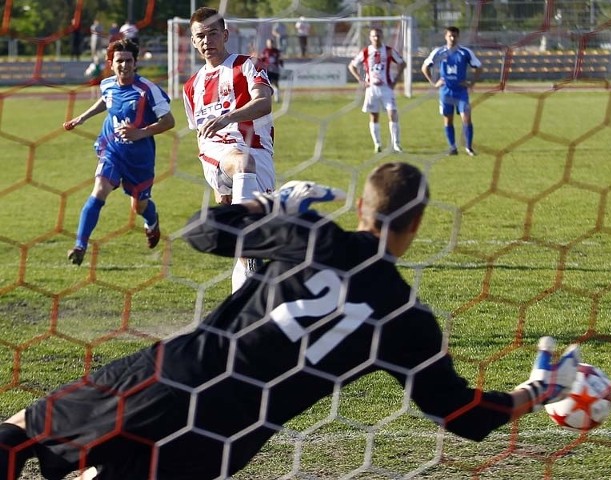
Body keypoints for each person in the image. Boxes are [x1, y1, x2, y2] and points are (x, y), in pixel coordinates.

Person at [0, 162, 580, 480]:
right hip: (225, 438)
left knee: (25, 430)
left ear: (361, 209)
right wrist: (534, 392)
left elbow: (202, 232)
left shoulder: (311, 237)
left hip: (172, 376)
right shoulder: (407, 319)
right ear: (418, 223)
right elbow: (459, 415)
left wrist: (268, 205)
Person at [182, 7, 276, 293]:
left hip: (259, 157)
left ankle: (241, 302)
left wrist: (227, 116)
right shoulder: (191, 86)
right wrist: (217, 184)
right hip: (225, 158)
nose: (207, 40)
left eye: (212, 34)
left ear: (225, 35)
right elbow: (201, 135)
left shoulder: (248, 65)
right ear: (194, 41)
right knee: (242, 161)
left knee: (259, 239)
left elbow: (264, 103)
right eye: (201, 36)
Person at [62, 39, 175, 266]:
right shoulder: (107, 84)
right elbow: (106, 101)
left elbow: (169, 121)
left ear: (135, 63)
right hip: (111, 149)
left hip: (139, 158)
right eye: (119, 61)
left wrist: (140, 133)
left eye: (128, 61)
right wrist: (82, 117)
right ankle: (80, 245)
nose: (123, 65)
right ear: (111, 63)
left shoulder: (148, 90)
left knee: (140, 206)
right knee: (99, 190)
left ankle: (152, 223)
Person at [421, 26, 482, 157]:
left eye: (455, 36)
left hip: (461, 92)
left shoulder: (465, 52)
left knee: (466, 118)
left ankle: (469, 147)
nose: (452, 38)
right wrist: (433, 83)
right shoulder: (438, 52)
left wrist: (471, 83)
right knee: (448, 120)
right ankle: (452, 147)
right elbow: (425, 67)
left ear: (458, 37)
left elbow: (478, 67)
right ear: (446, 37)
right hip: (445, 91)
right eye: (450, 36)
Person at [348, 28, 406, 154]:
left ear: (382, 36)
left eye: (378, 36)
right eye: (374, 36)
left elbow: (402, 63)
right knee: (374, 116)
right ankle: (377, 144)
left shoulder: (389, 51)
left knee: (393, 114)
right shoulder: (365, 52)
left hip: (387, 88)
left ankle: (396, 144)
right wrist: (361, 80)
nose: (376, 38)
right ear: (370, 37)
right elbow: (352, 66)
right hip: (371, 89)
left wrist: (395, 80)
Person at [260, 37, 284, 103]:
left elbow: (280, 59)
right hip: (268, 70)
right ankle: (266, 98)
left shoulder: (276, 51)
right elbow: (262, 60)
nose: (270, 44)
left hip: (275, 70)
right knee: (267, 84)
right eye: (269, 43)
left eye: (271, 43)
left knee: (276, 83)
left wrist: (281, 65)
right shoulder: (265, 51)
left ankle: (277, 98)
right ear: (267, 44)